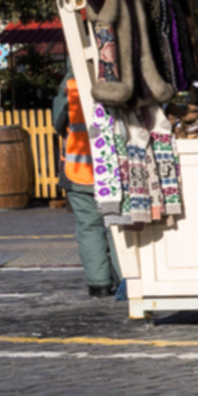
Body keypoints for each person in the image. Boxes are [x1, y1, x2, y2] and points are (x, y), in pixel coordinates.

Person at [51, 75, 117, 299]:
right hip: (113, 168)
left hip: (79, 169)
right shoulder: (115, 77)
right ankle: (127, 278)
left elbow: (58, 122)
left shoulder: (70, 84)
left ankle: (100, 284)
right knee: (116, 226)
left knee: (89, 227)